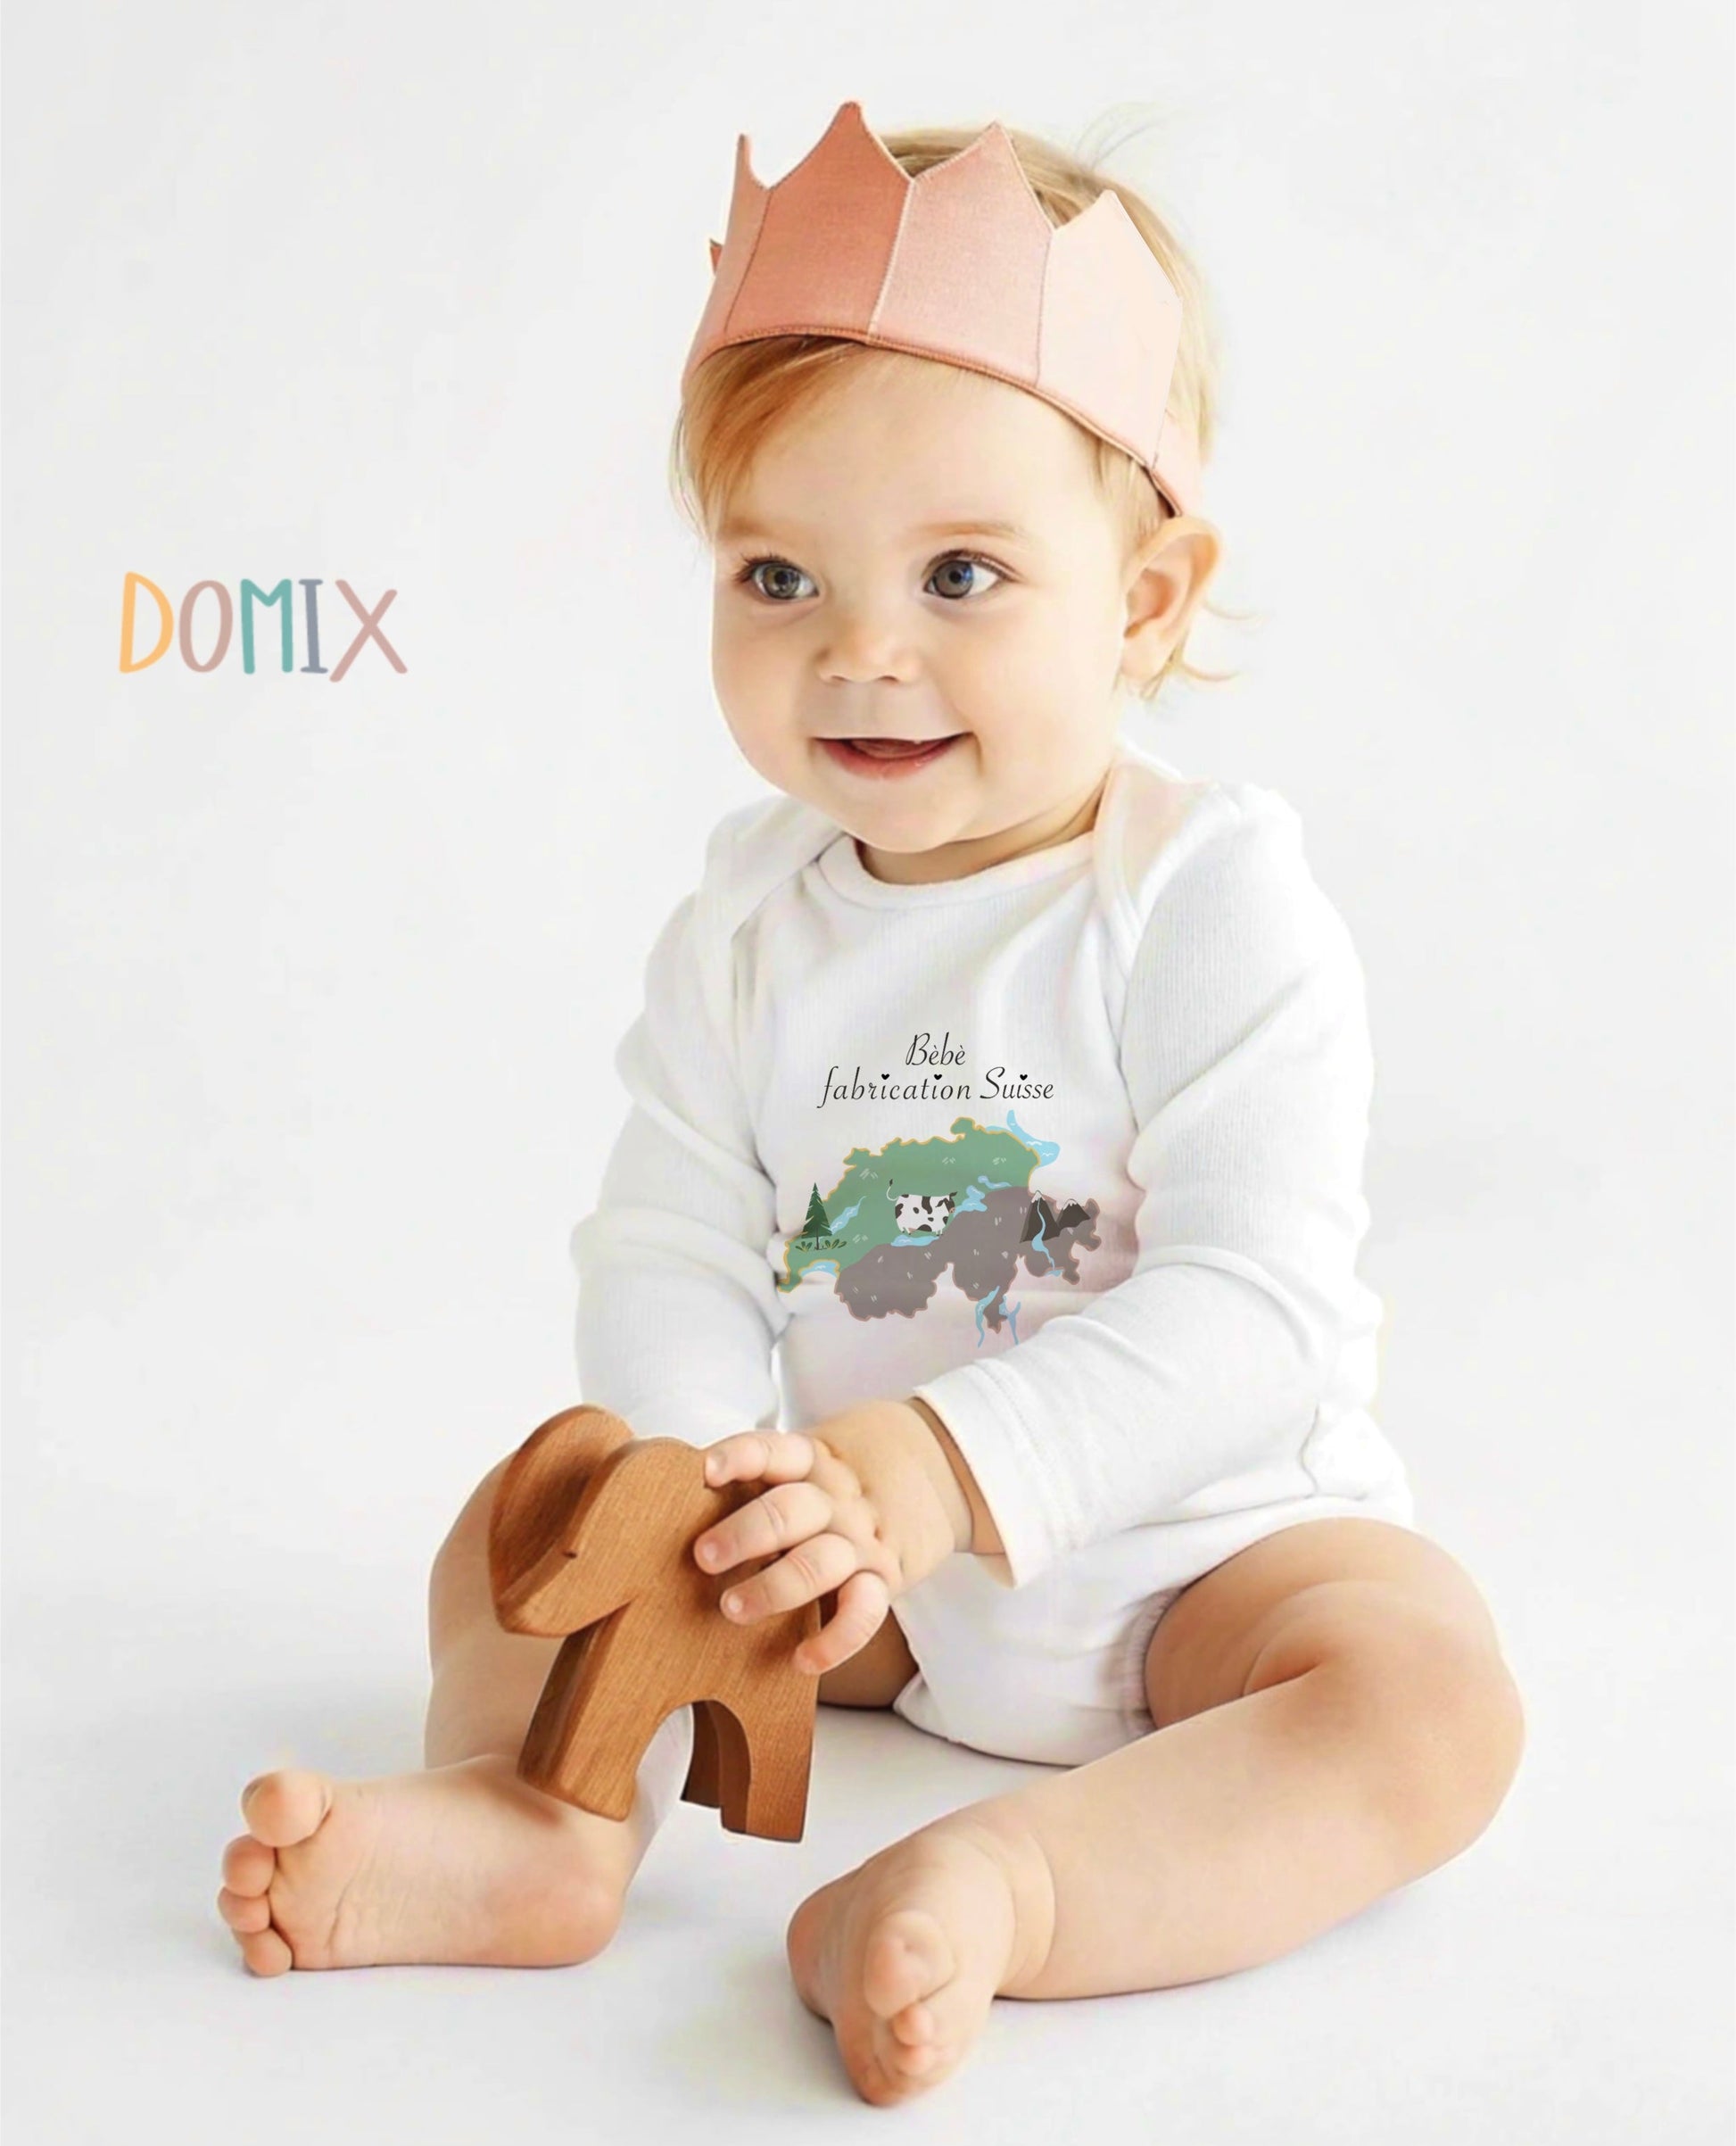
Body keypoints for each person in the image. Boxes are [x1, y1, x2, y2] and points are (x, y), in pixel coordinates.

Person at [215, 101, 1525, 2107]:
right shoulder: (748, 925)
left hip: (1200, 1567)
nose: (860, 652)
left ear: (1146, 600)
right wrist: (700, 1486)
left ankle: (1012, 1887)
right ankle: (538, 1812)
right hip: (860, 1584)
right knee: (538, 1509)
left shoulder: (1197, 897)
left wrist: (932, 1463)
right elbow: (667, 1235)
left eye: (962, 572)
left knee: (1424, 1695)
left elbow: (1258, 1304)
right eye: (777, 574)